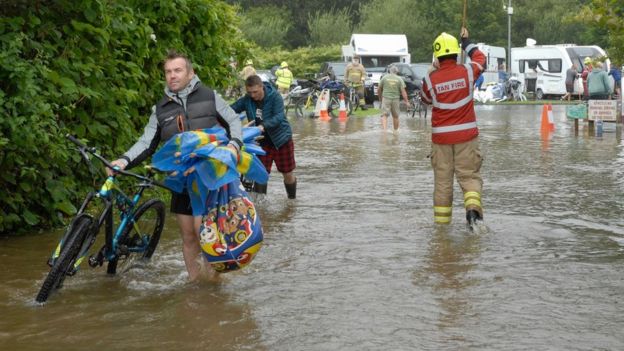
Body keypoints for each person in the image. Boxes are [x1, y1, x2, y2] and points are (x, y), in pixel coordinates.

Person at [108, 50, 243, 281]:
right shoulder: (160, 109)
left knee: (207, 235)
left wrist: (234, 146)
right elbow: (146, 142)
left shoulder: (209, 96)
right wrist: (123, 160)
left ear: (190, 73)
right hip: (180, 181)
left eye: (178, 70)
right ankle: (195, 284)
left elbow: (233, 121)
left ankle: (213, 287)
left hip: (210, 179)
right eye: (168, 72)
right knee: (188, 236)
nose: (172, 75)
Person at [420, 27, 486, 228]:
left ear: (437, 56)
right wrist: (467, 42)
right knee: (469, 177)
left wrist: (433, 71)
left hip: (441, 141)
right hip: (467, 138)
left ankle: (441, 231)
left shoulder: (430, 79)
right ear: (456, 52)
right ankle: (473, 213)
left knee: (442, 183)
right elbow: (481, 59)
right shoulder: (467, 71)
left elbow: (425, 100)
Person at [231, 75, 297, 199]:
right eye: (249, 92)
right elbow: (231, 110)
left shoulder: (275, 96)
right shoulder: (247, 99)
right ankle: (261, 207)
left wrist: (262, 126)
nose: (252, 95)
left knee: (287, 173)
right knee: (260, 174)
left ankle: (292, 200)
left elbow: (279, 116)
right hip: (260, 143)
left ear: (262, 87)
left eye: (255, 92)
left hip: (281, 140)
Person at [378, 64, 409, 132]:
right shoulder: (399, 79)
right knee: (395, 116)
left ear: (389, 71)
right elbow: (403, 92)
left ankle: (385, 131)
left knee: (384, 115)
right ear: (396, 72)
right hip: (395, 99)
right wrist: (406, 101)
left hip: (386, 98)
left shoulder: (384, 78)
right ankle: (396, 131)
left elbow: (379, 89)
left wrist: (380, 98)